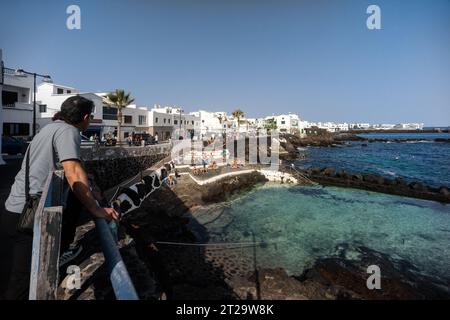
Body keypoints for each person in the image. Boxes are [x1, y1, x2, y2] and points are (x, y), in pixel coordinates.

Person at [1, 96, 119, 300]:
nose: (90, 121)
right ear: (84, 117)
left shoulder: (50, 127)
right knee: (22, 283)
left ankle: (61, 252)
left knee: (22, 276)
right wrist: (97, 209)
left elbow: (74, 168)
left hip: (15, 207)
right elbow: (72, 171)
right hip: (27, 214)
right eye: (90, 117)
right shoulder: (69, 131)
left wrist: (89, 181)